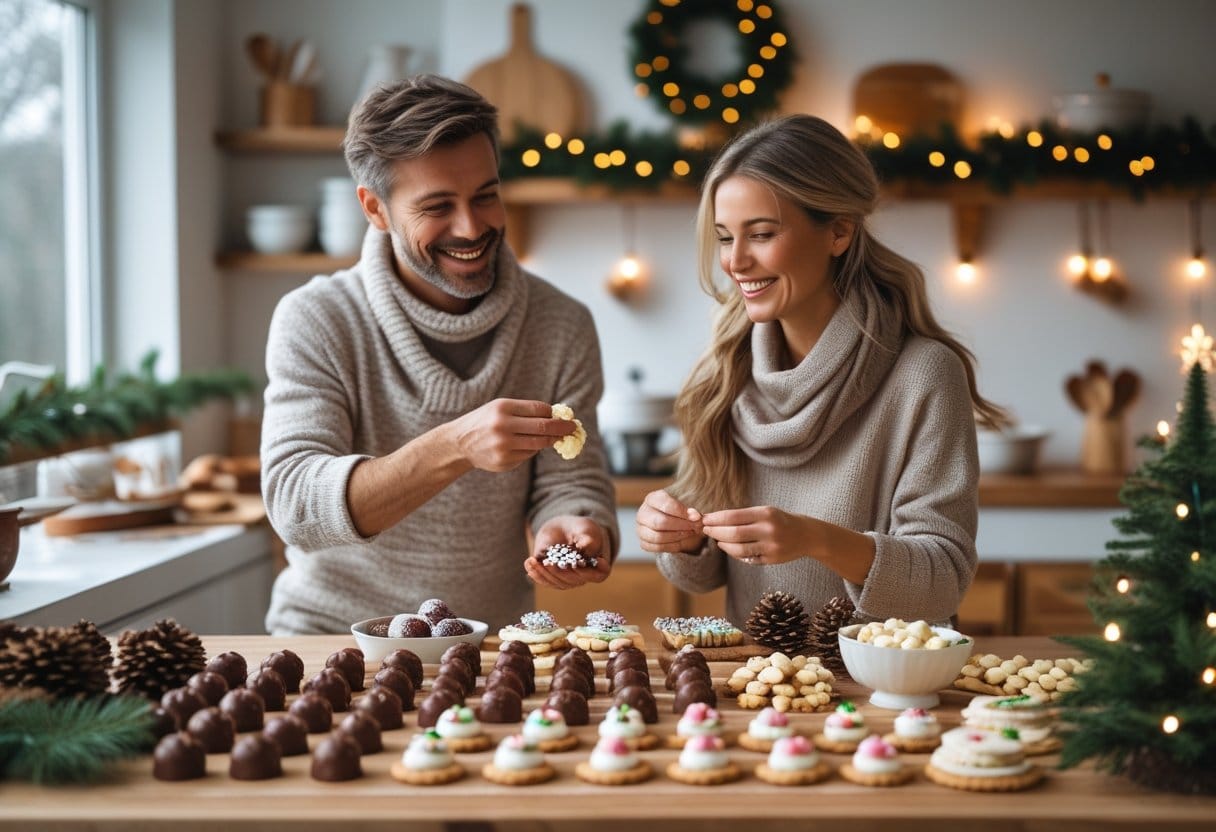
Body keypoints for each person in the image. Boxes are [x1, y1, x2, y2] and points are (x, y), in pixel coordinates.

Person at [261, 75, 618, 635]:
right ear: (375, 209)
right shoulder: (317, 318)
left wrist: (573, 523)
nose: (471, 227)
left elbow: (572, 478)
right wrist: (456, 445)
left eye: (485, 195)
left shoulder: (562, 325)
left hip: (490, 644)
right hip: (328, 637)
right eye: (437, 206)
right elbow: (296, 507)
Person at [636, 114, 1006, 628]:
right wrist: (681, 535)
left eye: (761, 234)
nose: (735, 262)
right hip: (763, 693)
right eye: (724, 238)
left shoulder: (923, 375)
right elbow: (702, 577)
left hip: (886, 692)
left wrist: (814, 539)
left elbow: (941, 581)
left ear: (838, 232)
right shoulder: (725, 370)